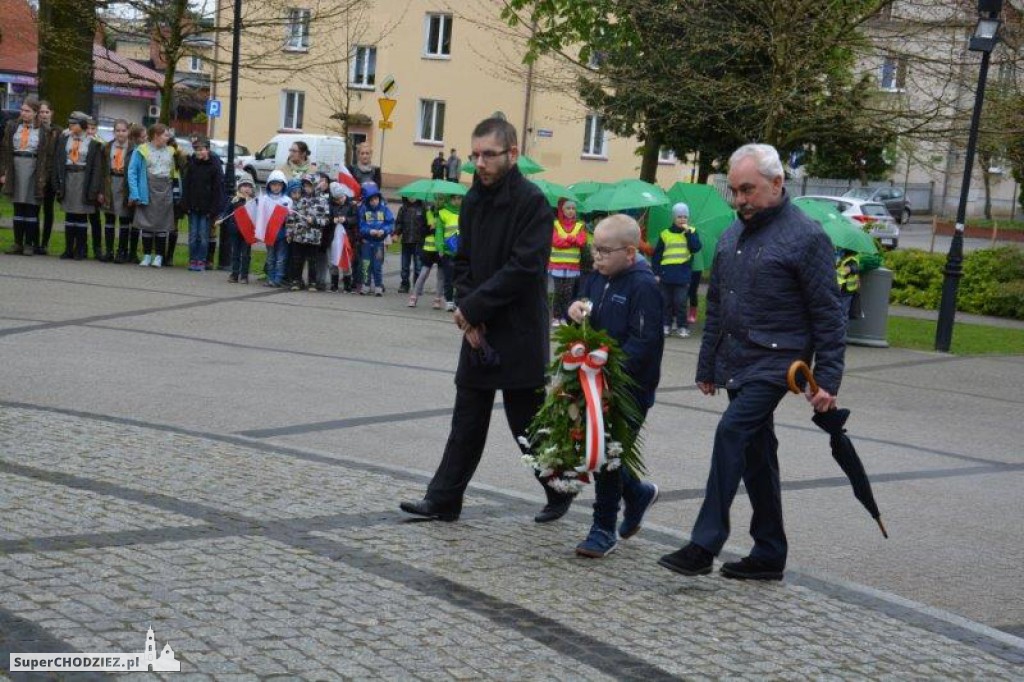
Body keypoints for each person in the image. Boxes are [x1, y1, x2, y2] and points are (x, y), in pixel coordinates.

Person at [658, 143, 845, 581]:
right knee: (758, 455)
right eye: (734, 191)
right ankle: (769, 553)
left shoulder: (807, 237)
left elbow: (828, 314)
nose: (740, 199)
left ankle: (704, 544)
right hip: (738, 359)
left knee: (732, 432)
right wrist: (707, 365)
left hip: (779, 363)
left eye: (748, 189)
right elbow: (717, 302)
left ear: (777, 184)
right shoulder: (732, 233)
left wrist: (828, 379)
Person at [400, 117, 575, 524]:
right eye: (475, 154)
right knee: (468, 417)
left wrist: (474, 308)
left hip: (518, 329)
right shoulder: (473, 199)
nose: (479, 163)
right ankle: (443, 499)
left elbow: (524, 268)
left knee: (526, 421)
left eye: (488, 155)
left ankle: (559, 486)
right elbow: (463, 262)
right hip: (477, 327)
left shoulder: (532, 203)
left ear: (512, 154)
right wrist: (468, 314)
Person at [565, 214, 664, 558]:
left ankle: (602, 528)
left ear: (631, 252)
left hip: (628, 388)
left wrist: (610, 368)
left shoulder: (644, 286)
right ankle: (637, 493)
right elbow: (584, 312)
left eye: (606, 251)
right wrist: (574, 311)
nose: (597, 256)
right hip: (593, 381)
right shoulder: (595, 278)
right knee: (601, 449)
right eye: (595, 248)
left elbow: (645, 341)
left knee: (608, 454)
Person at [0, 96, 53, 255]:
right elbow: (5, 149)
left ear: (36, 113)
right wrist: (4, 172)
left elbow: (46, 155)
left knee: (31, 207)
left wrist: (43, 176)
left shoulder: (43, 131)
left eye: (28, 111)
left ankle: (29, 243)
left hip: (33, 169)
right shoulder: (13, 126)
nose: (24, 113)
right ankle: (17, 243)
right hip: (16, 166)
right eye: (22, 110)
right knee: (18, 206)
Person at [53, 111, 103, 261]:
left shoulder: (92, 144)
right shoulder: (64, 140)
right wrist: (57, 182)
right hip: (68, 178)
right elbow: (58, 161)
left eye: (73, 123)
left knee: (81, 216)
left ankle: (80, 249)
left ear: (82, 126)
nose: (70, 126)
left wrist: (94, 189)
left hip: (83, 180)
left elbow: (96, 168)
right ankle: (68, 248)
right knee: (69, 215)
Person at [128, 123, 177, 268]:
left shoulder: (171, 151)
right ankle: (147, 255)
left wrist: (176, 192)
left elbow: (175, 173)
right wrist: (135, 193)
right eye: (165, 135)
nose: (168, 137)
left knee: (162, 225)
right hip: (147, 189)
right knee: (146, 224)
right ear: (156, 135)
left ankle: (159, 257)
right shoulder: (141, 150)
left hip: (165, 190)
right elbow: (132, 172)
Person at [652, 202, 702, 338]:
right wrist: (656, 273)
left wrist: (689, 234)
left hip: (683, 274)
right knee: (666, 302)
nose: (682, 220)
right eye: (679, 217)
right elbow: (657, 255)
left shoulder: (691, 231)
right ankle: (666, 325)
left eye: (685, 217)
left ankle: (682, 326)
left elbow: (696, 248)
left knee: (680, 303)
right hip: (665, 274)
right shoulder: (665, 234)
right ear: (674, 218)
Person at [183, 137, 225, 272]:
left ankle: (201, 259)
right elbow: (187, 185)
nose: (199, 152)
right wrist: (186, 204)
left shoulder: (214, 165)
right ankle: (192, 259)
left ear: (207, 150)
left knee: (203, 235)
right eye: (196, 150)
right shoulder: (192, 164)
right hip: (193, 206)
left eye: (201, 149)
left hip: (207, 208)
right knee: (193, 235)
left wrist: (214, 209)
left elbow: (218, 189)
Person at [100, 119, 135, 264]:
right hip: (110, 182)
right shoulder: (107, 148)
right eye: (118, 131)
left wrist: (134, 193)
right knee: (109, 218)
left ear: (128, 132)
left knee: (124, 219)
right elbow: (102, 170)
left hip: (125, 184)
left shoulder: (134, 149)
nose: (120, 133)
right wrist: (101, 191)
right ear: (113, 132)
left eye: (123, 130)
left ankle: (122, 251)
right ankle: (109, 251)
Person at [548, 198, 587, 326]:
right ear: (562, 210)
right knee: (558, 292)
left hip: (572, 267)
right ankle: (555, 317)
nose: (571, 211)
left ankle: (565, 317)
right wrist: (572, 240)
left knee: (568, 293)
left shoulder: (580, 225)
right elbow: (555, 241)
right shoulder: (555, 224)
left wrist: (566, 239)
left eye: (573, 208)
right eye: (568, 208)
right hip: (557, 266)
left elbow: (582, 241)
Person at [289, 174, 329, 290]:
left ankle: (312, 282)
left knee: (313, 261)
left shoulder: (322, 201)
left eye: (309, 185)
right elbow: (292, 217)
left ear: (315, 185)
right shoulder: (300, 199)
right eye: (305, 185)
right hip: (299, 235)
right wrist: (290, 232)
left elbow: (326, 220)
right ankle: (296, 281)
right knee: (297, 259)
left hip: (313, 237)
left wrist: (315, 220)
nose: (307, 188)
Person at [357, 181, 394, 295]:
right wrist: (370, 231)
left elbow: (390, 223)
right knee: (366, 264)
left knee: (377, 265)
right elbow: (361, 225)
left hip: (379, 243)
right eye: (372, 200)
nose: (374, 202)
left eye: (376, 199)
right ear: (367, 200)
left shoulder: (384, 209)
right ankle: (366, 285)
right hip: (367, 243)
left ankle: (378, 286)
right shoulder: (364, 209)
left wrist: (384, 230)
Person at [35, 100, 60, 255]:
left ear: (51, 113)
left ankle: (44, 243)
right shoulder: (34, 130)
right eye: (41, 112)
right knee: (34, 209)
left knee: (48, 210)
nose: (43, 115)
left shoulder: (58, 131)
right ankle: (34, 241)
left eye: (46, 112)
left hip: (50, 176)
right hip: (37, 175)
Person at [262, 170, 292, 287]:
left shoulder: (287, 200)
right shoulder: (264, 199)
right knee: (270, 257)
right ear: (269, 185)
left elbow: (290, 218)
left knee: (281, 258)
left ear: (283, 185)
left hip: (282, 233)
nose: (276, 187)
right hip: (269, 233)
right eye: (273, 184)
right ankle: (270, 278)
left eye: (279, 185)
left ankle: (278, 279)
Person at [226, 173, 256, 284]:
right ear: (239, 187)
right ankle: (234, 274)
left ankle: (244, 275)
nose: (246, 188)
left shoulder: (253, 201)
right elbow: (227, 211)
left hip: (247, 232)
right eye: (244, 185)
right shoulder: (235, 200)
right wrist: (221, 218)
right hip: (235, 231)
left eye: (249, 186)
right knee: (235, 253)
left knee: (246, 254)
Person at [394, 196, 427, 293]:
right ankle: (404, 284)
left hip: (418, 242)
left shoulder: (422, 208)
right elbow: (399, 223)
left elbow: (426, 224)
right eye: (409, 196)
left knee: (418, 265)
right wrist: (396, 233)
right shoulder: (403, 209)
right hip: (406, 241)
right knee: (404, 265)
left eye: (414, 196)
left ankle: (417, 285)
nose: (412, 198)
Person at [835, 248, 861, 326]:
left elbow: (855, 268)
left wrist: (850, 269)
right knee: (840, 313)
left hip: (846, 291)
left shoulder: (851, 260)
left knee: (843, 314)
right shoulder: (843, 259)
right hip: (841, 290)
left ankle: (842, 334)